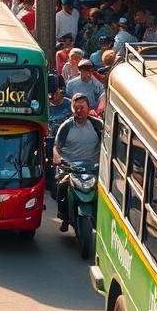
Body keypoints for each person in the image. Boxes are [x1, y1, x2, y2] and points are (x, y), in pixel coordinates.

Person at [52, 93, 104, 231]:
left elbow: (107, 144)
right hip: (70, 168)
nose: (79, 111)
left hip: (92, 168)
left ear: (88, 108)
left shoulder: (98, 125)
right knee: (62, 187)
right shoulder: (66, 127)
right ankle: (64, 217)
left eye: (82, 107)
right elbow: (56, 147)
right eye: (76, 108)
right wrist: (57, 158)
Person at [45, 84, 72, 163]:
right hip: (50, 142)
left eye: (58, 92)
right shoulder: (44, 108)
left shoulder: (70, 104)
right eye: (55, 94)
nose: (58, 94)